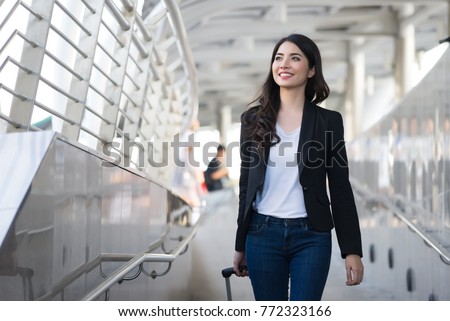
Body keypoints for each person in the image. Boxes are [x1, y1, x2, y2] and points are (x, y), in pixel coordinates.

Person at [232, 34, 364, 301]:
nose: (284, 64)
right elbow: (246, 187)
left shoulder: (328, 121)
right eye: (279, 58)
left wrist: (352, 250)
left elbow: (339, 187)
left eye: (295, 58)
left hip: (311, 235)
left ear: (312, 69)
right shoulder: (252, 120)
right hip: (262, 235)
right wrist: (240, 244)